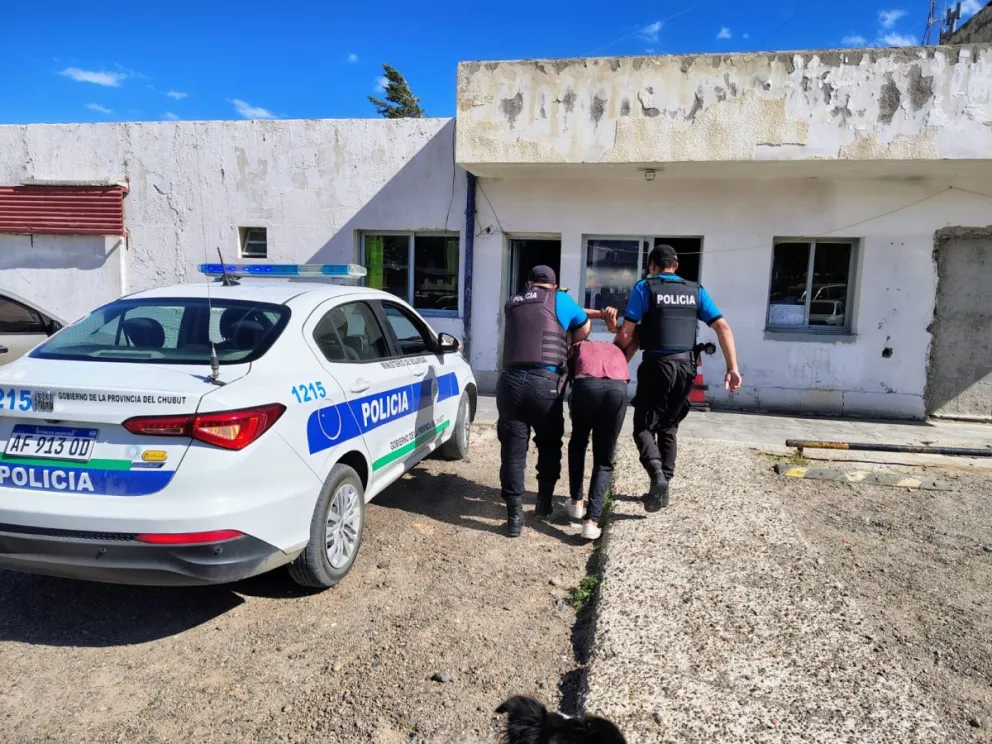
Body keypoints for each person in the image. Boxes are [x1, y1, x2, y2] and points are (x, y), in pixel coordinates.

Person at [612, 245, 741, 512]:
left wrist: (614, 357)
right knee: (668, 427)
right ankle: (663, 490)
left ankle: (657, 474)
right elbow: (722, 326)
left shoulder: (644, 288)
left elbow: (627, 333)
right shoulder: (696, 290)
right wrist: (732, 367)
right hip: (686, 367)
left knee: (643, 427)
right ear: (677, 266)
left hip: (657, 365)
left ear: (652, 266)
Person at [496, 265, 591, 537]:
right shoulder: (560, 299)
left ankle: (514, 519)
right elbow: (583, 327)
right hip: (545, 385)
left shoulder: (511, 302)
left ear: (529, 283)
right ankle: (544, 504)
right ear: (554, 285)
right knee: (549, 444)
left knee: (513, 452)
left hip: (510, 383)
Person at [564, 307, 630, 540]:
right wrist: (610, 320)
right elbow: (631, 337)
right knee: (603, 457)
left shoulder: (578, 346)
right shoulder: (618, 350)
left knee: (578, 443)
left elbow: (570, 379)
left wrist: (595, 314)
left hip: (586, 387)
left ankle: (576, 502)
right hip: (617, 389)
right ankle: (591, 522)